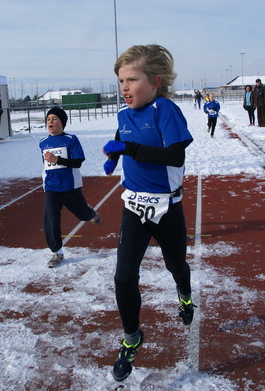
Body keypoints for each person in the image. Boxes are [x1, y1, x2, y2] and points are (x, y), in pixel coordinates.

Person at [101, 44, 194, 381]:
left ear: (155, 81)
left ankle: (184, 296)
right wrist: (114, 156)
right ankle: (131, 338)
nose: (125, 88)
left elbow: (175, 157)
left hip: (167, 207)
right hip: (134, 206)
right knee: (124, 276)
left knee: (176, 265)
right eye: (121, 81)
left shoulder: (164, 109)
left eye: (132, 79)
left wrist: (128, 149)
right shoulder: (124, 115)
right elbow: (122, 135)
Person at [40, 106, 100, 268]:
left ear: (62, 122)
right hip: (52, 187)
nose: (50, 122)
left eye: (54, 119)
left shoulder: (71, 139)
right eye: (48, 119)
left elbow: (78, 162)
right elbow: (46, 164)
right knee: (51, 217)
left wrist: (57, 159)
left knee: (82, 214)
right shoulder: (43, 143)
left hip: (70, 186)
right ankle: (56, 252)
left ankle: (90, 213)